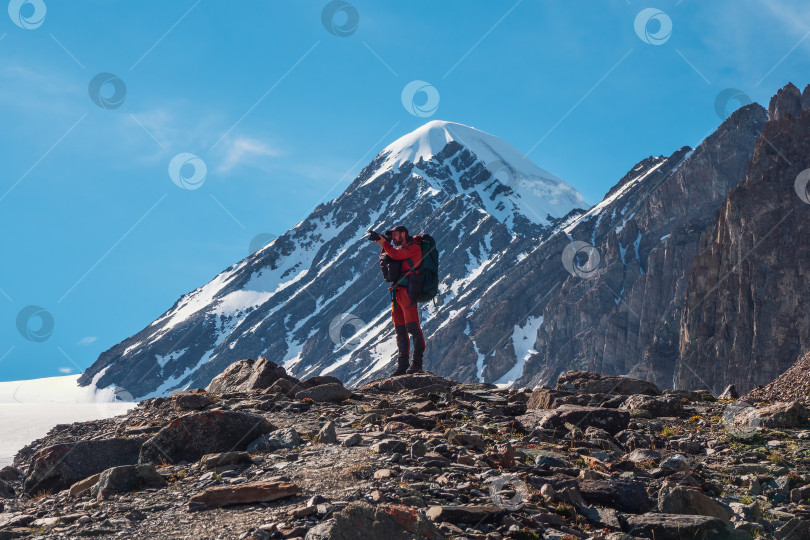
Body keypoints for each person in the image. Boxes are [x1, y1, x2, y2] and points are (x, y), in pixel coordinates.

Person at [374, 225, 426, 376]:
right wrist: (383, 243)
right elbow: (387, 259)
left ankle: (417, 364)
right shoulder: (398, 249)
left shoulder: (414, 247)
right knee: (400, 331)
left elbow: (396, 256)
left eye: (395, 235)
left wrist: (385, 243)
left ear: (403, 233)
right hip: (396, 293)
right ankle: (402, 366)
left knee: (413, 328)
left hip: (408, 292)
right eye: (392, 236)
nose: (394, 238)